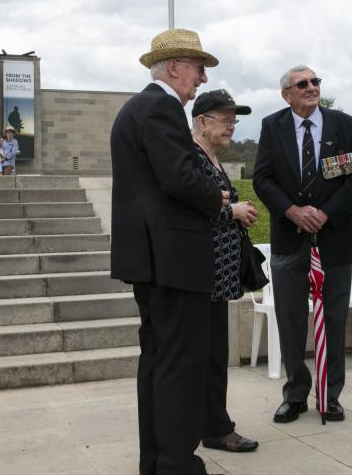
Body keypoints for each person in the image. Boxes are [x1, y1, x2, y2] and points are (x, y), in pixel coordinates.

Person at [110, 28, 227, 475]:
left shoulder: (137, 107)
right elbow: (178, 177)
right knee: (180, 367)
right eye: (198, 69)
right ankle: (177, 463)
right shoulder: (160, 107)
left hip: (153, 259)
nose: (200, 79)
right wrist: (214, 197)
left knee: (158, 364)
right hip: (172, 258)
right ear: (174, 66)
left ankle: (157, 462)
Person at [253, 65, 352, 424]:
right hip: (289, 241)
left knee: (333, 319)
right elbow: (263, 179)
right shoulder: (273, 126)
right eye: (302, 84)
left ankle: (330, 396)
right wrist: (292, 211)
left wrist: (324, 213)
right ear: (286, 94)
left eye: (316, 81)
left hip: (333, 239)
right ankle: (296, 394)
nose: (312, 88)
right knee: (290, 320)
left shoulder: (346, 126)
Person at [189, 89, 260, 454]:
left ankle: (214, 424)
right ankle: (215, 428)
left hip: (219, 278)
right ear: (202, 121)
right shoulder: (192, 158)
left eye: (235, 120)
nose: (231, 126)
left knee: (215, 356)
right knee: (208, 358)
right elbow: (190, 206)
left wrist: (236, 209)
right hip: (202, 276)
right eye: (225, 119)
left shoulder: (212, 160)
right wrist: (231, 211)